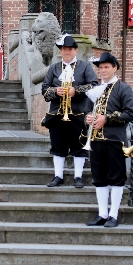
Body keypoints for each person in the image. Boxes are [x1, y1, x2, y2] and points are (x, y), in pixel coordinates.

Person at [84, 52, 133, 228]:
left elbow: (129, 113)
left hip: (114, 140)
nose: (103, 70)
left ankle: (113, 214)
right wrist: (88, 119)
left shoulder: (123, 88)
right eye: (101, 68)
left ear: (115, 68)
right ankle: (102, 214)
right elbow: (86, 112)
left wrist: (106, 118)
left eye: (107, 67)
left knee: (116, 178)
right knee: (99, 178)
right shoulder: (94, 90)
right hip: (96, 140)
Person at [41, 35, 98, 188]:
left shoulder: (85, 67)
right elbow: (45, 91)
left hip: (78, 113)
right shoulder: (53, 68)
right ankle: (58, 176)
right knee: (58, 145)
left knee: (78, 145)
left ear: (75, 51)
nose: (67, 52)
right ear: (61, 51)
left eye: (70, 49)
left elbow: (94, 86)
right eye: (64, 49)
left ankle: (78, 177)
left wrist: (76, 90)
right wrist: (55, 91)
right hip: (57, 114)